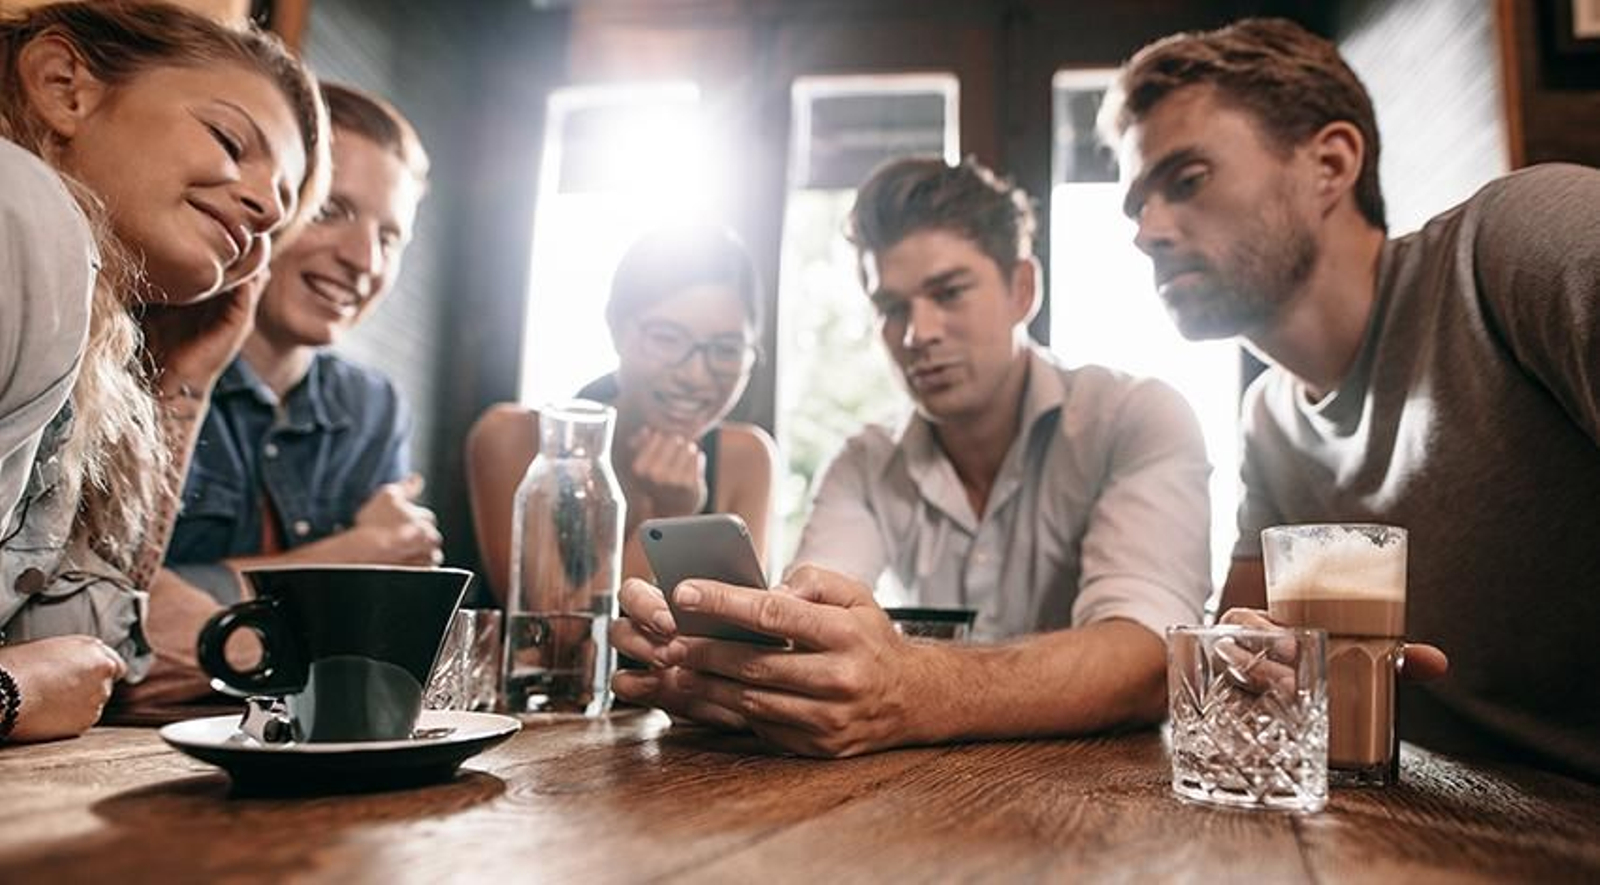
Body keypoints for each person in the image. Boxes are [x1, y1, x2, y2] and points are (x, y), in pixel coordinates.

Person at [1099, 18, 1599, 779]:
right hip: (1450, 828)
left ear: (1330, 163)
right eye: (1136, 205)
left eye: (1186, 180)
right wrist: (1251, 664)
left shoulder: (1512, 243)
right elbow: (1241, 667)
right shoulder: (1268, 420)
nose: (1145, 232)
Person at [609, 157, 1213, 758]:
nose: (917, 333)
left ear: (1022, 289)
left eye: (948, 293)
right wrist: (723, 676)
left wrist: (911, 684)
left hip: (1107, 809)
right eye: (891, 307)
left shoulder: (1136, 418)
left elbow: (1151, 658)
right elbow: (809, 634)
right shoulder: (863, 462)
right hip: (923, 811)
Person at [0, 0, 326, 738]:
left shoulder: (72, 306)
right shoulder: (19, 210)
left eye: (279, 210)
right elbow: (37, 677)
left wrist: (185, 381)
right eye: (229, 140)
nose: (263, 209)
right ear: (64, 86)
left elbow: (88, 655)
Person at [162, 82, 438, 606]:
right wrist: (349, 558)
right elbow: (111, 610)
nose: (365, 261)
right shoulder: (147, 372)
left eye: (388, 238)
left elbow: (374, 617)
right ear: (266, 202)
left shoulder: (372, 409)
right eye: (331, 211)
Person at [467, 227, 778, 601]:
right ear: (616, 327)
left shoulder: (747, 458)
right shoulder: (514, 438)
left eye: (726, 350)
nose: (695, 376)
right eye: (667, 338)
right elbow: (557, 640)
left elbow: (745, 641)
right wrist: (665, 522)